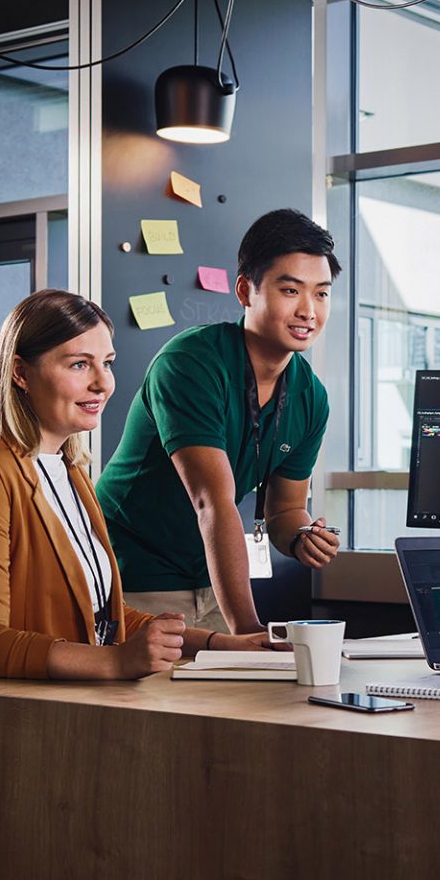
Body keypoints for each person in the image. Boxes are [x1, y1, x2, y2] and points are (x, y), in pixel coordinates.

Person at [0, 289, 274, 683]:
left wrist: (222, 643)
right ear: (20, 373)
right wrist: (116, 662)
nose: (102, 383)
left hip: (61, 697)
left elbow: (103, 618)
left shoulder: (71, 470)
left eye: (106, 363)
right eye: (79, 364)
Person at [96, 208, 341, 635]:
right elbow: (213, 501)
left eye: (321, 294)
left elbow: (285, 510)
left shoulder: (311, 397)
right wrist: (247, 630)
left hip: (213, 578)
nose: (308, 310)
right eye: (290, 290)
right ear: (245, 291)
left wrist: (301, 536)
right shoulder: (190, 363)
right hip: (131, 574)